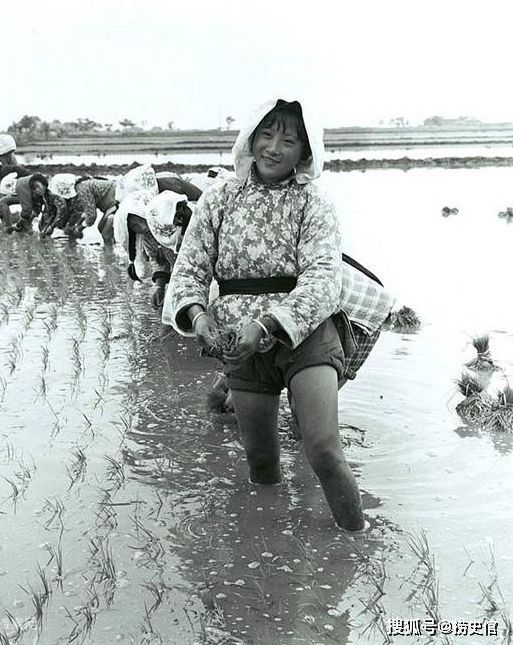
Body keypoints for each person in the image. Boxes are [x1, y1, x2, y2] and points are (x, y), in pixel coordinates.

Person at [166, 97, 392, 532]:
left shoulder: (313, 203)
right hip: (239, 343)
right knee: (262, 461)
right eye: (266, 135)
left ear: (305, 154)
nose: (274, 147)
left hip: (304, 336)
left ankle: (356, 542)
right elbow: (188, 270)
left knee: (323, 448)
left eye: (289, 140)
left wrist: (267, 324)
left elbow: (324, 278)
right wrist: (198, 318)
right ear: (250, 139)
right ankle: (268, 551)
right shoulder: (218, 201)